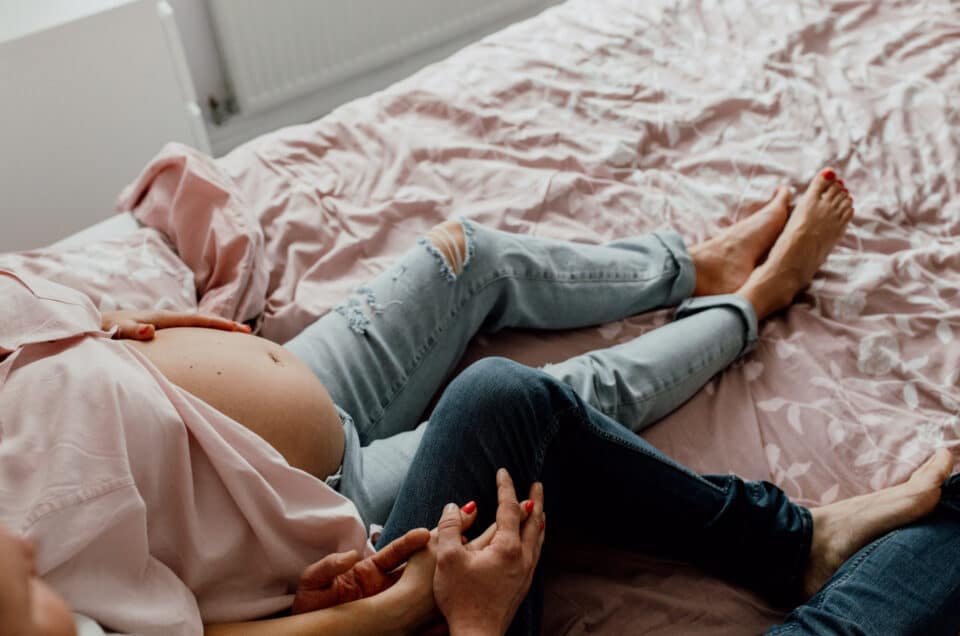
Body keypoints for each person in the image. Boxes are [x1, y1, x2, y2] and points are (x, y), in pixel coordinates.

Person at [0, 168, 955, 634]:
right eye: (28, 586)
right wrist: (441, 607)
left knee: (466, 258)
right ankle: (750, 305)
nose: (29, 558)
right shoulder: (41, 552)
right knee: (522, 400)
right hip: (322, 521)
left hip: (269, 431)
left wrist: (157, 328)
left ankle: (693, 268)